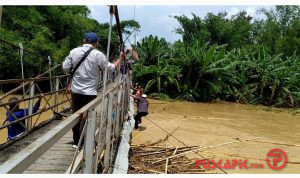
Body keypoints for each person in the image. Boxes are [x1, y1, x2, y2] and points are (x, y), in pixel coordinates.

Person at [62, 32, 124, 148]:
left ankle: (76, 141)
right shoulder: (98, 55)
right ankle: (83, 141)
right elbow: (110, 69)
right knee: (87, 117)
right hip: (90, 93)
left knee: (76, 115)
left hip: (76, 91)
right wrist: (120, 58)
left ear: (84, 41)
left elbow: (65, 67)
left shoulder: (74, 51)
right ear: (96, 43)